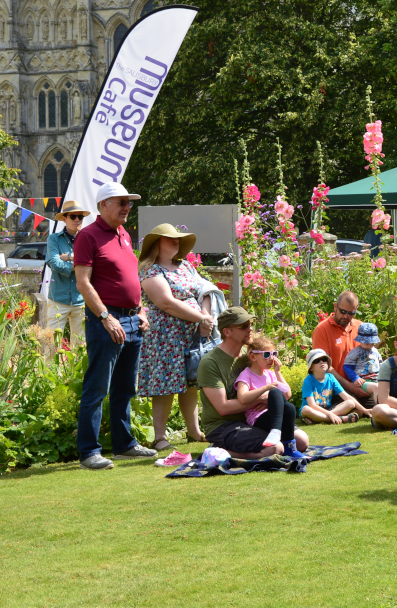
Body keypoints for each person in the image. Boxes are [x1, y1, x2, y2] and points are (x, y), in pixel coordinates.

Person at [73, 182, 157, 470]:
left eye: (128, 203)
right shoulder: (88, 235)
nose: (126, 208)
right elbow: (83, 282)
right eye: (120, 202)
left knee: (125, 388)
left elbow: (130, 278)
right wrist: (105, 317)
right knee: (97, 388)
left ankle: (124, 445)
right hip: (106, 322)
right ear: (103, 205)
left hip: (133, 319)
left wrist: (142, 309)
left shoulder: (123, 233)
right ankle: (88, 452)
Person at [137, 223, 215, 450]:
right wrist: (200, 319)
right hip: (165, 338)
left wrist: (206, 316)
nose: (176, 241)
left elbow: (205, 290)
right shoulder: (150, 270)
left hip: (191, 334)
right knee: (164, 384)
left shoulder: (186, 267)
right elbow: (165, 303)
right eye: (170, 238)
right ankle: (160, 437)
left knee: (191, 382)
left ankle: (194, 431)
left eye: (178, 239)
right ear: (156, 244)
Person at [197, 306, 310, 458]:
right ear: (227, 332)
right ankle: (220, 451)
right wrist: (264, 398)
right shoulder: (210, 363)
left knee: (302, 442)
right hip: (225, 425)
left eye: (250, 324)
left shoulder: (250, 356)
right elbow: (223, 408)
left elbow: (279, 387)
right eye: (244, 326)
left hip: (256, 419)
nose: (250, 329)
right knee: (275, 449)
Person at [233, 333, 304, 458]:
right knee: (275, 391)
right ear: (253, 357)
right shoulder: (246, 375)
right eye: (267, 355)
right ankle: (275, 431)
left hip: (273, 415)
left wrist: (278, 372)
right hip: (258, 418)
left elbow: (287, 394)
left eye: (274, 354)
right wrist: (266, 388)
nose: (271, 359)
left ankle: (289, 448)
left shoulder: (270, 374)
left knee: (290, 408)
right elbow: (242, 398)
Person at [312, 291, 374, 409]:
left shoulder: (361, 327)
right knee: (353, 406)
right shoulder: (322, 330)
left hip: (360, 384)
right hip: (335, 388)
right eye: (343, 312)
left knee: (380, 404)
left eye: (351, 313)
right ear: (335, 307)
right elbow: (323, 366)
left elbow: (371, 357)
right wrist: (350, 386)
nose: (346, 316)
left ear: (356, 309)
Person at [45, 200, 89, 347]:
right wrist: (80, 263)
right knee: (51, 343)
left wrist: (69, 257)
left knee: (81, 344)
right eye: (73, 216)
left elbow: (92, 264)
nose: (77, 220)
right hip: (58, 298)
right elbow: (56, 264)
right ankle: (49, 371)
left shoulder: (88, 239)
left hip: (80, 298)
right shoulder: (54, 239)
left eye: (80, 217)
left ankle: (77, 371)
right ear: (64, 218)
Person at [301, 348, 362, 424]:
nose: (321, 362)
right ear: (311, 367)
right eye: (317, 361)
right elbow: (312, 405)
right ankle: (341, 419)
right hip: (313, 410)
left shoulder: (331, 377)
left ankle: (317, 419)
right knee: (305, 409)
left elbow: (347, 396)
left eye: (324, 359)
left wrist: (365, 410)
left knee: (350, 403)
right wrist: (330, 414)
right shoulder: (308, 380)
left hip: (329, 409)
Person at [341, 322, 381, 407]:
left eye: (372, 343)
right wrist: (355, 378)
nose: (370, 345)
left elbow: (381, 364)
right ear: (360, 340)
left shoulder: (375, 351)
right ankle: (380, 409)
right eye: (367, 343)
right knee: (376, 387)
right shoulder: (355, 352)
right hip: (363, 381)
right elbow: (347, 367)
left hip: (377, 379)